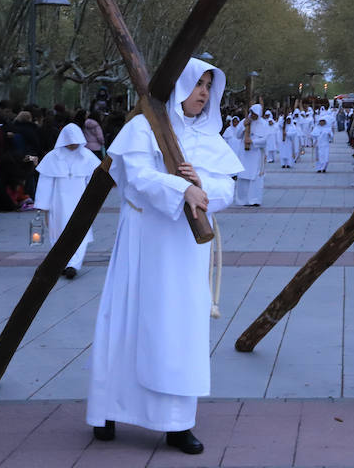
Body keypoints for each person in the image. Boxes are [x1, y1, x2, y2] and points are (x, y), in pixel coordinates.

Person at [86, 58, 243, 453]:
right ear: (178, 86)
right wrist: (180, 190)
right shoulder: (143, 127)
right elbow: (136, 178)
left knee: (179, 330)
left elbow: (227, 187)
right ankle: (107, 409)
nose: (204, 93)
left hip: (185, 251)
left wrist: (202, 185)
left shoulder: (209, 135)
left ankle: (176, 423)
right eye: (197, 84)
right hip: (144, 241)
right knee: (127, 322)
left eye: (209, 85)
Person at [33, 123, 101, 279]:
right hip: (58, 204)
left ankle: (73, 265)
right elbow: (45, 183)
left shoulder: (87, 156)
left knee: (80, 234)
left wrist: (93, 202)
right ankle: (61, 263)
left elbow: (94, 182)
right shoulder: (52, 158)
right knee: (58, 234)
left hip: (80, 202)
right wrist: (43, 206)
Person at [234, 104, 270, 206]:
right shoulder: (245, 121)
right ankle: (242, 200)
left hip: (256, 154)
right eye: (252, 113)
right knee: (243, 176)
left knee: (255, 178)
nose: (253, 116)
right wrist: (243, 126)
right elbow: (237, 135)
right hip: (244, 154)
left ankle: (254, 200)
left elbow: (265, 139)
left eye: (255, 114)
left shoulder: (263, 124)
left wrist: (252, 141)